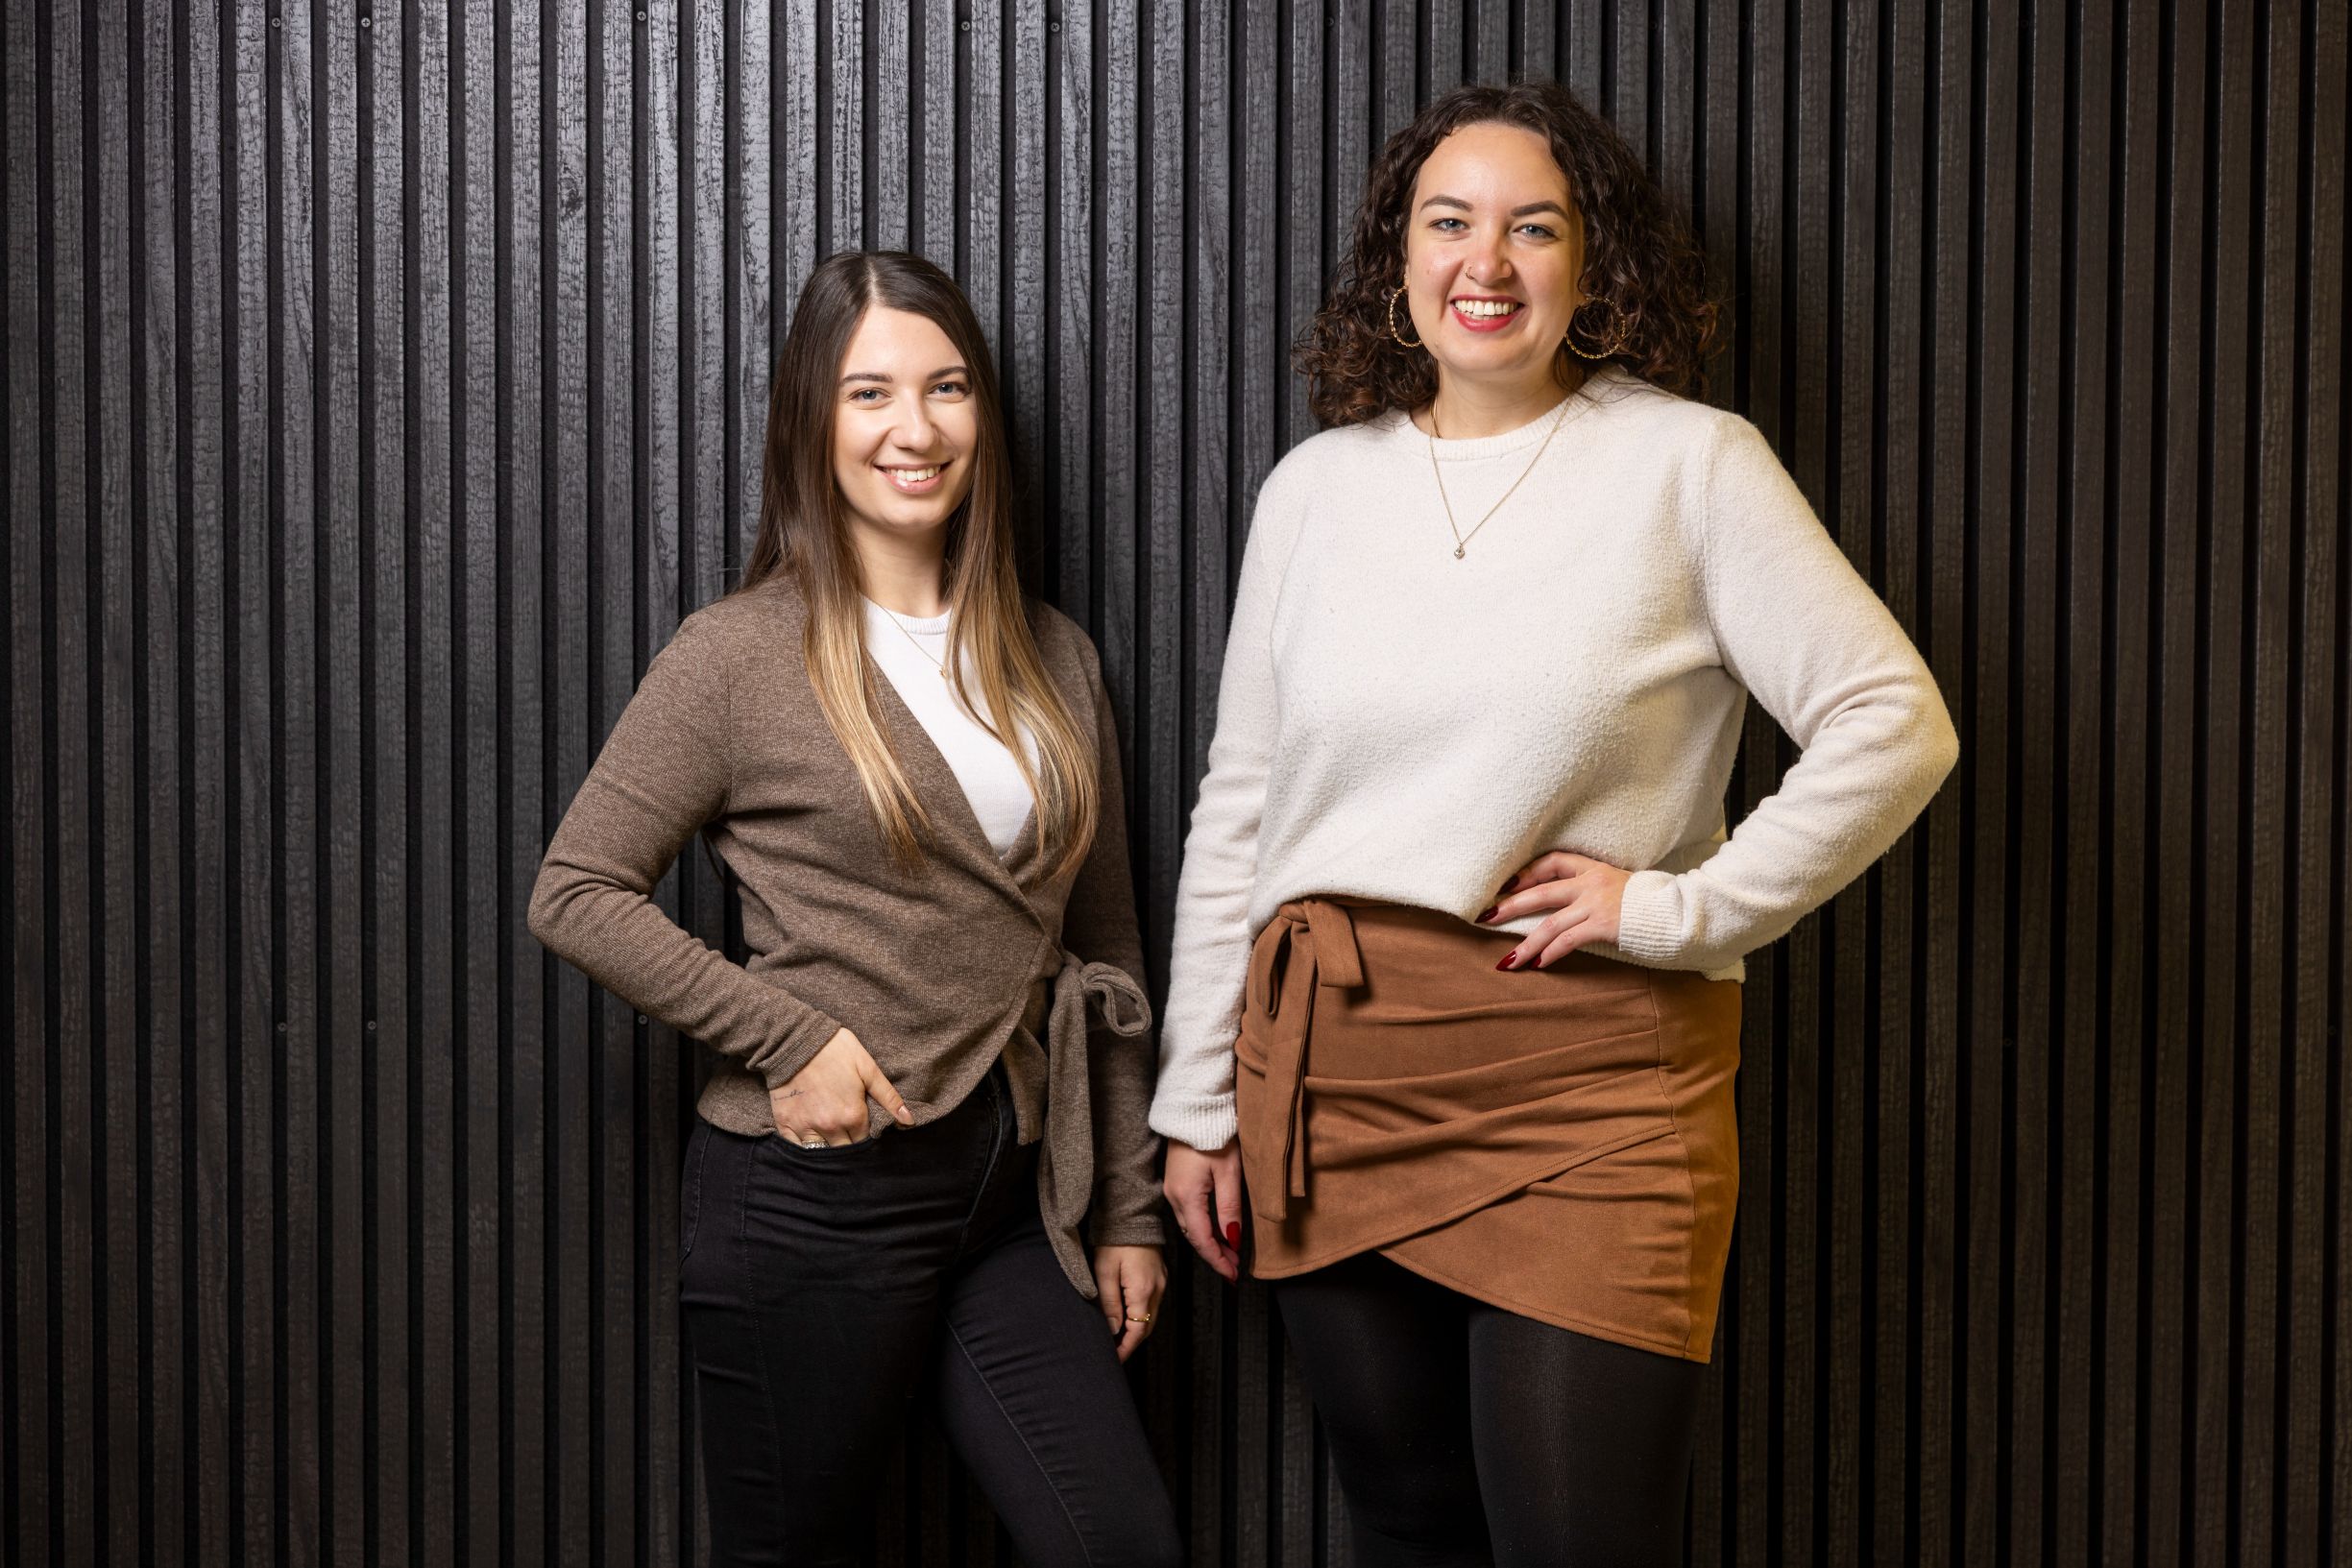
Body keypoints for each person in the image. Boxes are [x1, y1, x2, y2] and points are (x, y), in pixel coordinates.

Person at [1153, 81, 1957, 1566]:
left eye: (1534, 227)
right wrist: (1197, 1098)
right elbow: (1242, 806)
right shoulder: (1314, 491)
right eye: (1447, 222)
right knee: (1407, 1529)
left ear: (1593, 265)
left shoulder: (1689, 463)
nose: (1486, 262)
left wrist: (1673, 909)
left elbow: (1892, 719)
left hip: (1592, 1083)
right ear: (1396, 258)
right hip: (1330, 1072)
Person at [528, 250, 1180, 1567]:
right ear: (812, 422)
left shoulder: (1054, 656)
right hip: (813, 1199)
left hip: (1010, 1198)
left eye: (947, 388)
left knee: (1120, 1547)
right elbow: (576, 890)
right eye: (869, 392)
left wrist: (1124, 1206)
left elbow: (1102, 948)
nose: (914, 428)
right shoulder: (736, 654)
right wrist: (789, 1038)